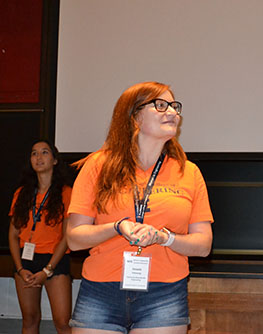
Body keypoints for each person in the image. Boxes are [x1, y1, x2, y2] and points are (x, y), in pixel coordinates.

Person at [66, 81, 213, 334]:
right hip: (100, 291)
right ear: (134, 116)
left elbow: (203, 245)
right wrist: (117, 227)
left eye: (174, 106)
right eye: (160, 105)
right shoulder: (97, 165)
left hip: (164, 293)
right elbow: (75, 239)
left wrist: (164, 238)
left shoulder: (188, 172)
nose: (173, 112)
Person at [8, 140, 72, 334]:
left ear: (54, 160)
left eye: (44, 152)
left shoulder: (66, 193)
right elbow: (12, 234)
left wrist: (47, 270)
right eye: (34, 153)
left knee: (62, 322)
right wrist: (19, 268)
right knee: (29, 319)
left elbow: (67, 237)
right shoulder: (22, 193)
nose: (38, 157)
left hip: (55, 261)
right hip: (25, 261)